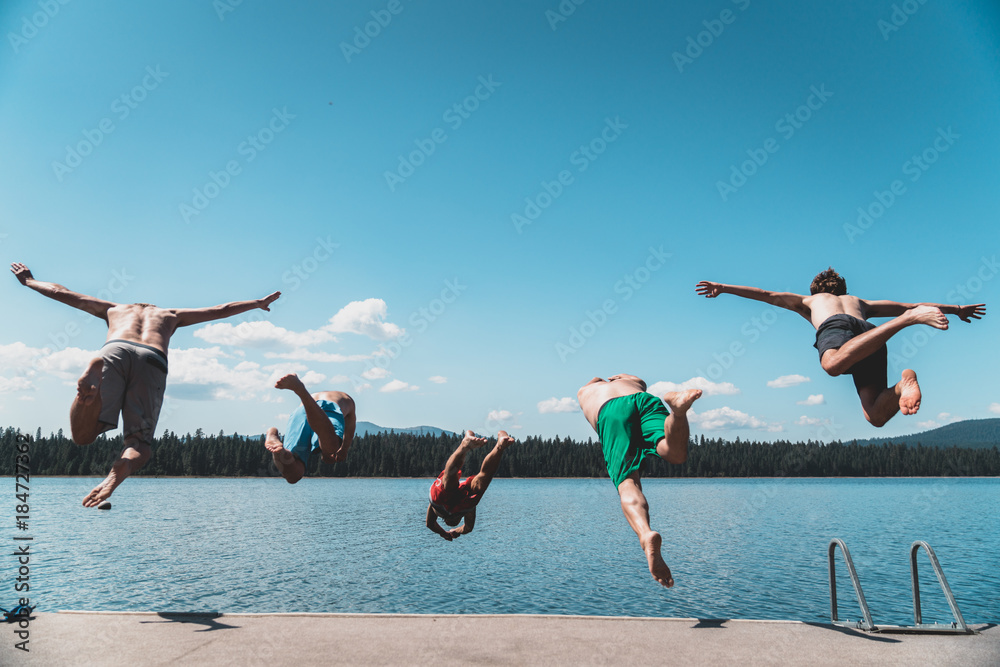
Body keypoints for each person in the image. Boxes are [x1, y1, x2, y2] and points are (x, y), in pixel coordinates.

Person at [10, 262, 280, 507]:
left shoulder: (115, 309)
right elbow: (220, 310)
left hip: (114, 350)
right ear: (152, 309)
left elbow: (64, 293)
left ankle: (87, 396)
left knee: (82, 437)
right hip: (153, 357)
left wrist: (30, 281)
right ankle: (118, 473)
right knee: (140, 442)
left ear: (135, 306)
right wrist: (257, 303)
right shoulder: (170, 315)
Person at [696, 268, 986, 426]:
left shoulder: (811, 301)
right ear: (843, 290)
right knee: (874, 416)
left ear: (815, 291)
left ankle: (905, 324)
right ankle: (902, 385)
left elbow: (768, 295)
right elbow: (907, 304)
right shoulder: (861, 302)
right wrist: (957, 308)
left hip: (837, 329)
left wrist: (724, 287)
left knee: (832, 364)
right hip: (869, 337)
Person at [577, 375, 701, 587]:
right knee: (673, 451)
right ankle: (678, 413)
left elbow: (594, 381)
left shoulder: (585, 391)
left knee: (627, 481)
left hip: (611, 411)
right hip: (645, 401)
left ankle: (645, 534)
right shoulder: (635, 382)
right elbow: (637, 380)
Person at [264, 373, 356, 483]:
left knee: (293, 475)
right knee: (332, 447)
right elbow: (349, 432)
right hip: (327, 405)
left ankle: (273, 437)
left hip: (302, 410)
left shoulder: (338, 397)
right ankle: (301, 391)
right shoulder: (347, 399)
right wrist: (343, 450)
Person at [426, 430, 515, 541]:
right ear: (460, 519)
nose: (452, 522)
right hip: (460, 502)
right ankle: (499, 447)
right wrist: (452, 531)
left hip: (442, 501)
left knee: (449, 482)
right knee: (482, 478)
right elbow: (467, 528)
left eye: (450, 523)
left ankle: (466, 446)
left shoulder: (439, 509)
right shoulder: (467, 511)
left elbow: (430, 524)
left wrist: (445, 533)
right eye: (454, 523)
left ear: (445, 520)